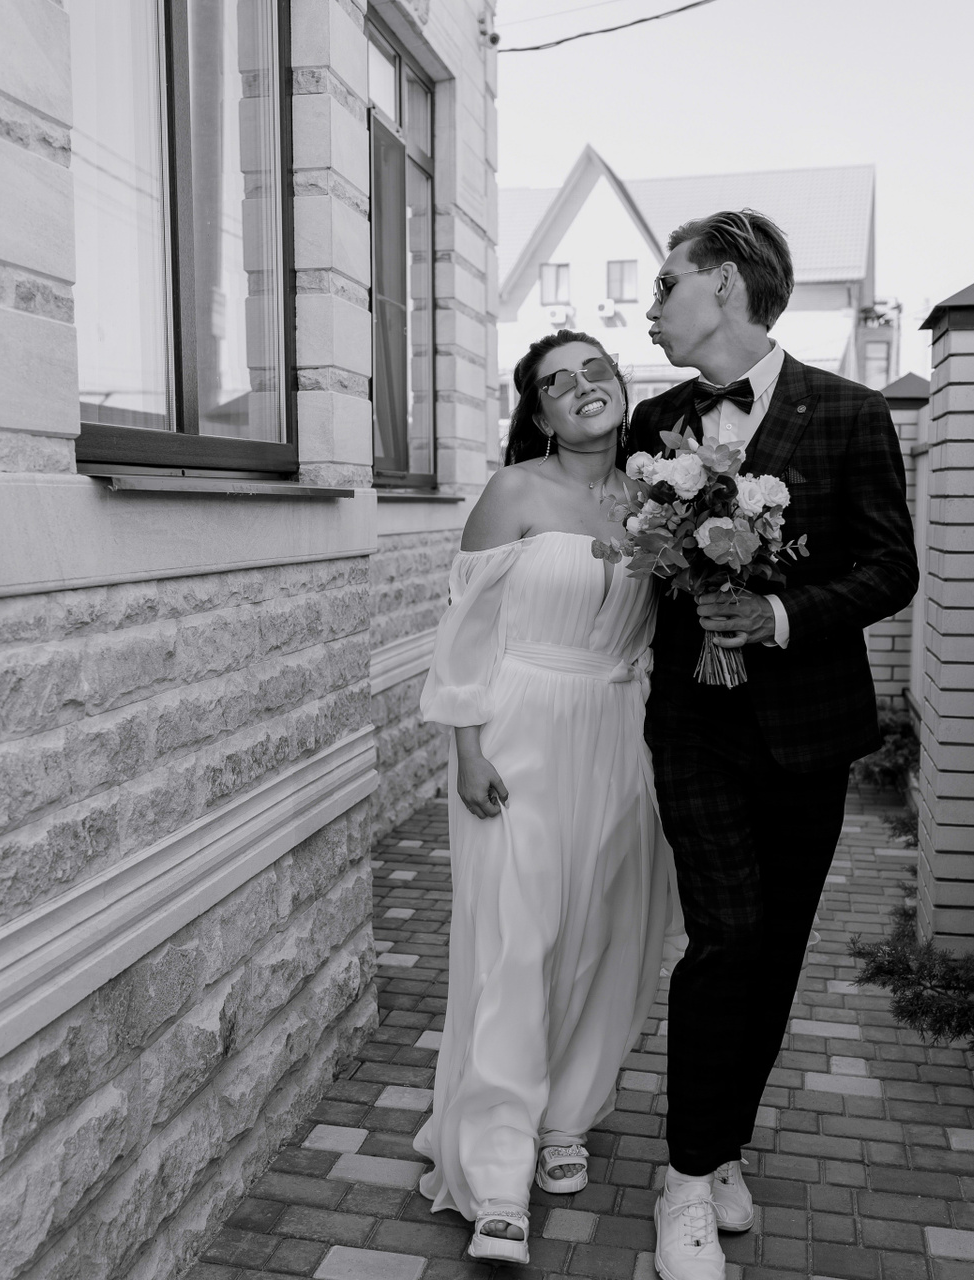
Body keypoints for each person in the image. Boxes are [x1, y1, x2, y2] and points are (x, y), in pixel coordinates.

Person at [629, 210, 918, 1280]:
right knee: (727, 936)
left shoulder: (848, 412)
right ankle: (684, 1178)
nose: (651, 307)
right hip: (692, 728)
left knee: (777, 947)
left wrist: (782, 613)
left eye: (666, 284)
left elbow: (892, 568)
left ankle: (724, 1143)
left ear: (726, 286)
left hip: (807, 733)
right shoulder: (656, 421)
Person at [415, 330, 674, 1265]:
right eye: (557, 383)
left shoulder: (663, 498)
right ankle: (495, 1168)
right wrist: (466, 746)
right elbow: (465, 628)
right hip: (519, 730)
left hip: (619, 730)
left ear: (620, 385)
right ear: (540, 412)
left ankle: (567, 1115)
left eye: (595, 370)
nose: (581, 387)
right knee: (516, 938)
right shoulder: (514, 491)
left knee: (605, 931)